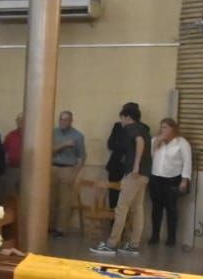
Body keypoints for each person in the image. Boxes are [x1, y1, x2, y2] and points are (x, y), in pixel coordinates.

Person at [92, 103, 151, 256]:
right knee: (137, 209)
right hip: (145, 174)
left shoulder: (131, 128)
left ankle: (111, 244)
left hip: (134, 173)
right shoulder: (144, 128)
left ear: (127, 117)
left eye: (122, 118)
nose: (121, 122)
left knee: (121, 208)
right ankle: (133, 245)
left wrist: (136, 165)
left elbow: (139, 142)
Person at [146, 119, 192, 248]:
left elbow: (187, 162)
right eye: (161, 127)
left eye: (165, 127)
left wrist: (185, 180)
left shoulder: (181, 143)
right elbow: (150, 157)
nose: (163, 130)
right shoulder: (155, 141)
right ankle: (155, 235)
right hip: (156, 177)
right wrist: (158, 142)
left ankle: (171, 238)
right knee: (156, 208)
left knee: (171, 209)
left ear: (172, 129)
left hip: (172, 179)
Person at [49, 111, 86, 237]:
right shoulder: (53, 133)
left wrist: (75, 173)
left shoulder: (77, 136)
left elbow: (81, 157)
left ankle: (61, 229)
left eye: (66, 120)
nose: (63, 122)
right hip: (52, 167)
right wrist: (63, 145)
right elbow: (48, 150)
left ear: (71, 121)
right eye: (61, 119)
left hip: (68, 168)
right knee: (51, 199)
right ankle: (50, 226)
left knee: (65, 201)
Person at [1, 114, 24, 199]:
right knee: (11, 196)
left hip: (28, 171)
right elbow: (3, 149)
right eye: (18, 121)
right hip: (12, 169)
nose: (20, 123)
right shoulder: (11, 135)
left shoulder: (33, 135)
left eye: (22, 120)